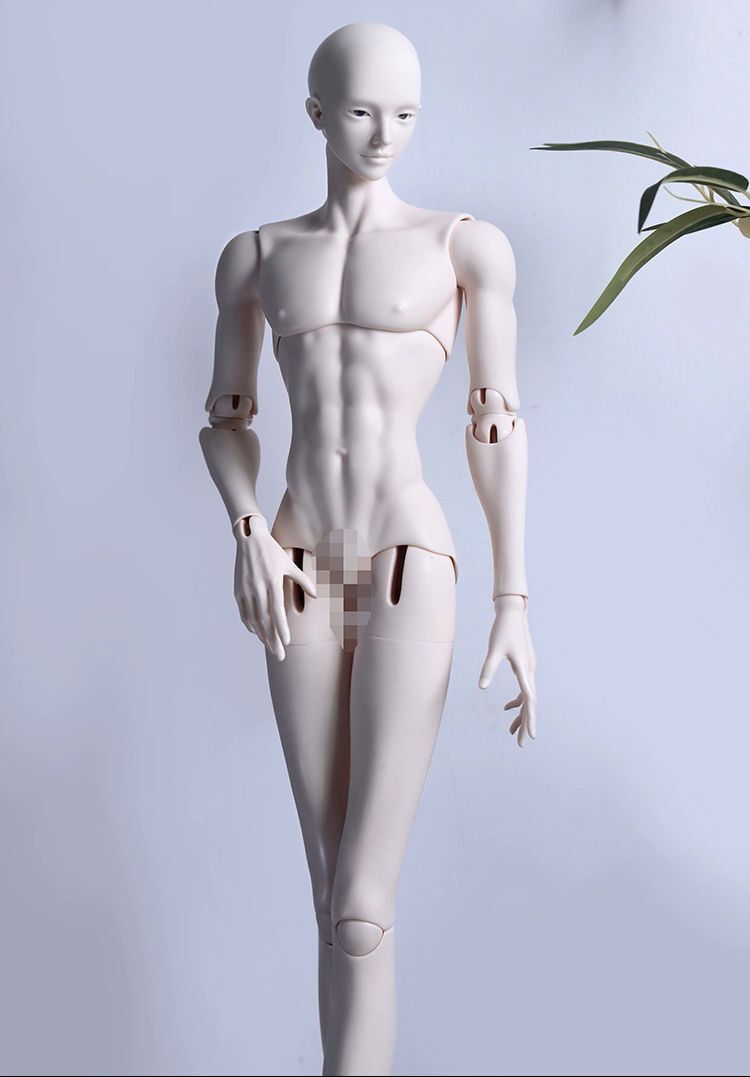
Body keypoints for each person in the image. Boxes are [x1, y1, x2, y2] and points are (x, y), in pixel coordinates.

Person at [199, 21, 538, 1076]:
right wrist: (247, 528)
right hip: (297, 564)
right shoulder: (257, 257)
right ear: (315, 114)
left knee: (361, 902)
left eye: (404, 113)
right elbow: (226, 419)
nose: (384, 133)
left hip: (402, 560)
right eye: (360, 111)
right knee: (327, 890)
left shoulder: (463, 247)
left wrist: (513, 600)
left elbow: (495, 423)